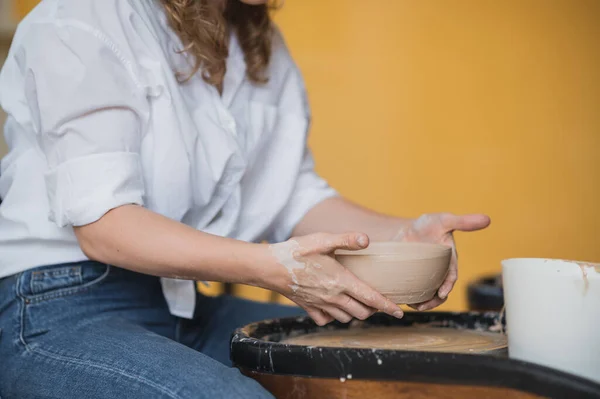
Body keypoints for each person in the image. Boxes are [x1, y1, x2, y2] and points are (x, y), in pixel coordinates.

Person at [0, 0, 490, 397]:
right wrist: (273, 268)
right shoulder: (83, 18)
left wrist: (401, 236)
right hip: (55, 309)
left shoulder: (257, 43)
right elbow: (106, 227)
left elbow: (289, 196)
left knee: (382, 366)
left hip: (181, 303)